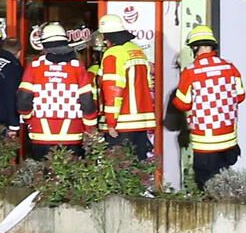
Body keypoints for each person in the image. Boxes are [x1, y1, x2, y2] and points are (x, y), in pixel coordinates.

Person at [171, 25, 245, 189]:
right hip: (229, 139)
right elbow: (240, 96)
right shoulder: (229, 67)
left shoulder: (191, 72)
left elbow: (182, 103)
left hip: (205, 142)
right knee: (225, 183)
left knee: (206, 187)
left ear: (195, 47)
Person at [17, 23, 98, 160]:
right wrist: (90, 129)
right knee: (70, 177)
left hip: (40, 133)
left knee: (42, 177)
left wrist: (28, 118)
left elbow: (23, 100)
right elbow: (87, 102)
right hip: (72, 133)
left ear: (44, 44)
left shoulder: (35, 66)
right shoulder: (77, 67)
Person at [97, 14, 155, 160]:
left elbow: (113, 91)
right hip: (141, 123)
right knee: (138, 171)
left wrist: (111, 122)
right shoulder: (137, 51)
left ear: (107, 37)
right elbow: (149, 85)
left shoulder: (113, 53)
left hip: (122, 124)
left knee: (119, 173)